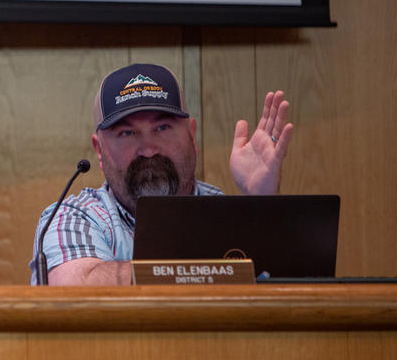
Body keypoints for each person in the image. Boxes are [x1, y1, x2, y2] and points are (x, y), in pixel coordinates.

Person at [30, 63, 292, 286]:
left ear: (191, 134)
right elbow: (77, 287)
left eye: (162, 127)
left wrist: (262, 202)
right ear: (99, 149)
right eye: (127, 133)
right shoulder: (74, 216)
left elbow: (287, 300)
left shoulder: (222, 209)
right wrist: (206, 273)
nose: (148, 149)